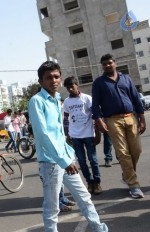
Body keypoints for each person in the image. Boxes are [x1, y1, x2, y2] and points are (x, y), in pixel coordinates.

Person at [28, 61, 108, 232]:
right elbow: (43, 135)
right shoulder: (37, 101)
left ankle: (98, 228)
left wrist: (68, 155)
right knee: (52, 207)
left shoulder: (57, 100)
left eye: (56, 76)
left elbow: (59, 133)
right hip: (51, 162)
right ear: (41, 81)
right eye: (48, 78)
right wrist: (64, 159)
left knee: (84, 197)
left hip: (65, 159)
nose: (53, 80)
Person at [92, 54, 146, 199]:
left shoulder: (126, 78)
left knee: (137, 150)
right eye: (104, 64)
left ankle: (126, 174)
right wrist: (100, 121)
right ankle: (134, 185)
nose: (107, 65)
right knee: (123, 152)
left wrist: (142, 118)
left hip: (130, 117)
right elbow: (95, 105)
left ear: (115, 63)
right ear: (102, 66)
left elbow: (135, 98)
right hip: (112, 120)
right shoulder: (99, 83)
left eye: (109, 63)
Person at [63, 76, 103, 195]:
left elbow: (96, 115)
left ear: (77, 85)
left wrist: (98, 133)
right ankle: (89, 182)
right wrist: (67, 134)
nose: (70, 89)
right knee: (81, 161)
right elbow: (66, 118)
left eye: (72, 86)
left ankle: (97, 183)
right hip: (75, 136)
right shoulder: (67, 102)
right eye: (68, 87)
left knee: (93, 159)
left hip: (89, 134)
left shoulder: (87, 98)